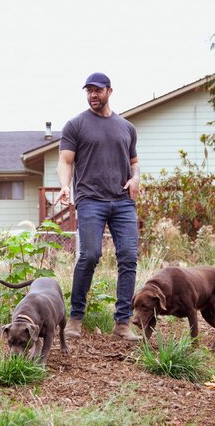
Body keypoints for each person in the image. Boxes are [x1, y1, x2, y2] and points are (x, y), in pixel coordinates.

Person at [57, 72, 141, 341]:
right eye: (89, 91)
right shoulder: (76, 125)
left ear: (109, 91)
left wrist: (136, 177)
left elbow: (134, 161)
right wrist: (64, 186)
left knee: (128, 257)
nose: (93, 95)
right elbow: (66, 161)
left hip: (122, 201)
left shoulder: (126, 128)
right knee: (90, 255)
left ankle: (122, 323)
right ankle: (75, 318)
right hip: (90, 200)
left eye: (97, 90)